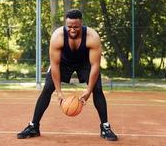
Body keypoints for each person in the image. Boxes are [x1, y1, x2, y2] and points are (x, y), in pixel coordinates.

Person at [17, 9, 118, 141]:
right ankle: (33, 126)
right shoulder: (57, 36)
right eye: (69, 26)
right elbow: (55, 65)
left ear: (81, 24)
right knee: (47, 88)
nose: (72, 29)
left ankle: (105, 127)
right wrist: (59, 92)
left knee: (97, 89)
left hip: (85, 63)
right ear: (66, 24)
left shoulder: (92, 37)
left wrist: (88, 91)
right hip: (63, 63)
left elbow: (95, 66)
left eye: (76, 27)